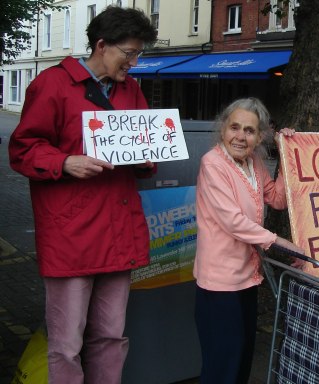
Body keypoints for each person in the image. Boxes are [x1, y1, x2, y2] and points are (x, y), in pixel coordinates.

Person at [8, 6, 157, 384]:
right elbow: (22, 149)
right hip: (71, 234)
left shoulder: (131, 89)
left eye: (139, 54)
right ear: (102, 45)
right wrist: (64, 162)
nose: (134, 62)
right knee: (66, 344)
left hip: (117, 229)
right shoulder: (52, 84)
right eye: (129, 53)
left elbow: (143, 149)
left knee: (110, 336)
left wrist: (149, 154)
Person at [193, 97, 303, 384]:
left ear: (259, 136)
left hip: (247, 278)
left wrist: (286, 153)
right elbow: (232, 221)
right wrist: (279, 243)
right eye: (235, 127)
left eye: (250, 131)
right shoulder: (213, 164)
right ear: (223, 129)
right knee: (223, 364)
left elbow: (277, 198)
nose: (241, 136)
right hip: (219, 282)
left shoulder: (254, 162)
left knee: (242, 356)